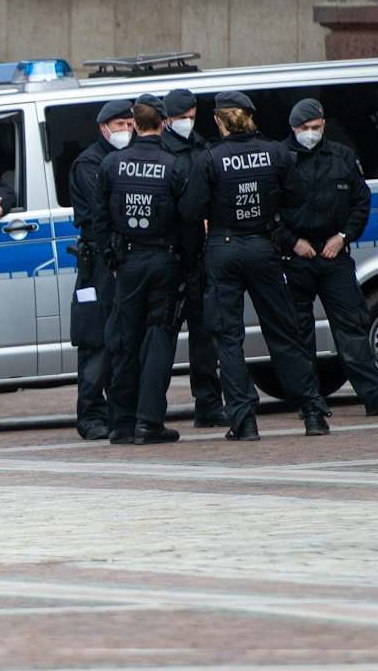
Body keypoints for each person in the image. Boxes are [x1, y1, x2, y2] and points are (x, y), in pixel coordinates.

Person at [182, 90, 327, 441]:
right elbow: (296, 198)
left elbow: (189, 210)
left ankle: (244, 421)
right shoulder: (275, 152)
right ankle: (312, 413)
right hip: (264, 247)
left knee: (228, 339)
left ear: (219, 120)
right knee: (284, 331)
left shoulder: (209, 158)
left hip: (223, 249)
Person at [277, 97, 378, 417]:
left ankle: (374, 395)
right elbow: (269, 211)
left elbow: (361, 203)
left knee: (352, 327)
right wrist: (292, 242)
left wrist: (344, 236)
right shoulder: (280, 158)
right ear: (293, 129)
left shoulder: (342, 156)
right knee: (299, 333)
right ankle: (310, 403)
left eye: (316, 127)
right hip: (296, 258)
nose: (311, 133)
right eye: (304, 129)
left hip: (335, 255)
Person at [97, 101, 191, 445]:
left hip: (129, 264)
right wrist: (188, 263)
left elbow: (100, 221)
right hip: (165, 261)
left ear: (134, 125)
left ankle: (121, 423)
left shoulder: (111, 163)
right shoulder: (175, 165)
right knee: (158, 341)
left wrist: (115, 263)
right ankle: (149, 422)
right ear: (163, 124)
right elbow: (189, 220)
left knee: (123, 341)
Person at [66, 99, 135, 441]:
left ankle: (120, 411)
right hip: (99, 263)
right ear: (103, 127)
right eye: (119, 124)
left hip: (127, 258)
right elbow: (107, 210)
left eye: (129, 124)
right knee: (95, 339)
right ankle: (91, 414)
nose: (125, 131)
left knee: (123, 337)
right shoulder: (89, 163)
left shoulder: (132, 158)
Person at [160, 87, 226, 428]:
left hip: (200, 254)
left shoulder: (202, 146)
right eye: (181, 117)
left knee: (205, 336)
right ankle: (153, 407)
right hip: (172, 256)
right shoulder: (160, 149)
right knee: (162, 336)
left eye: (190, 116)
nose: (187, 122)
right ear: (167, 118)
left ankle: (209, 405)